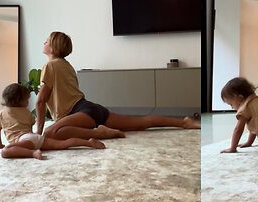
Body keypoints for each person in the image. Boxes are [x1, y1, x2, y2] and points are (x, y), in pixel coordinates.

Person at [35, 31, 201, 140]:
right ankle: (184, 122)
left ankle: (99, 133)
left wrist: (37, 134)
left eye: (47, 41)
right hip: (90, 109)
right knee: (141, 122)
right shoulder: (67, 65)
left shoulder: (50, 66)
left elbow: (40, 102)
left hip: (79, 112)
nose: (44, 42)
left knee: (50, 133)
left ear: (54, 46)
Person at [0, 83, 106, 160]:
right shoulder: (26, 112)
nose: (28, 102)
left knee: (5, 151)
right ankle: (88, 143)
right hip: (34, 138)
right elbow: (29, 126)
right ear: (20, 101)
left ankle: (32, 153)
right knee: (63, 144)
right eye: (27, 100)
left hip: (24, 141)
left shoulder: (2, 113)